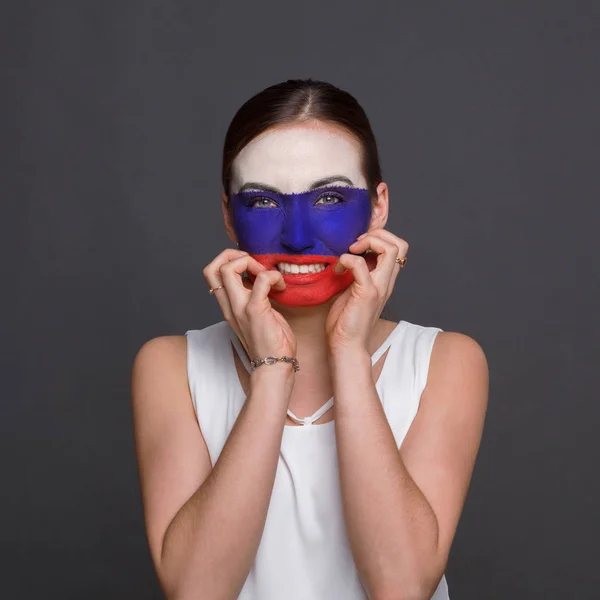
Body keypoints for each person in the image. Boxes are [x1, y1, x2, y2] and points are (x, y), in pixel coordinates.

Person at [131, 79, 489, 600]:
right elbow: (196, 591)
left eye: (329, 197)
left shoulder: (448, 362)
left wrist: (347, 351)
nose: (297, 236)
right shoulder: (169, 367)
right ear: (229, 215)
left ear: (378, 206)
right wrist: (273, 369)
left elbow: (403, 586)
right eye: (263, 202)